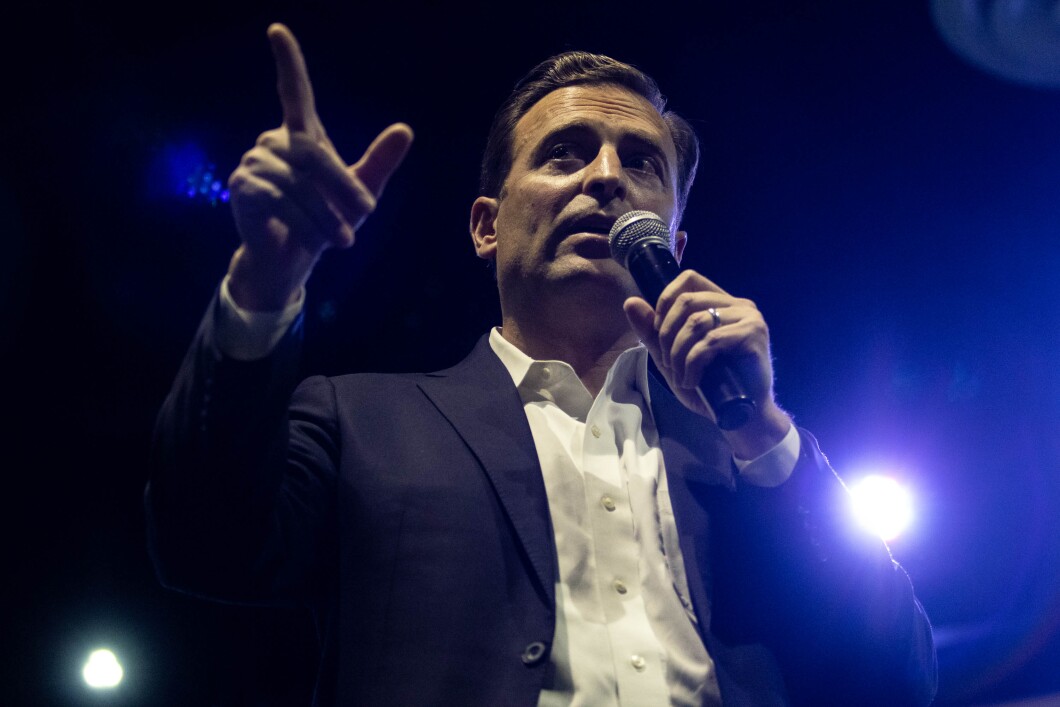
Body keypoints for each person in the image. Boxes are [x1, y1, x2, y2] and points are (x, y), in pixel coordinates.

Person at [146, 23, 937, 706]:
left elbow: (898, 676)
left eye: (641, 163)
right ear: (486, 227)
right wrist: (264, 281)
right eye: (564, 154)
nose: (605, 179)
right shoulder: (362, 423)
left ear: (675, 246)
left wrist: (764, 432)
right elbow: (203, 542)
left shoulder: (748, 463)